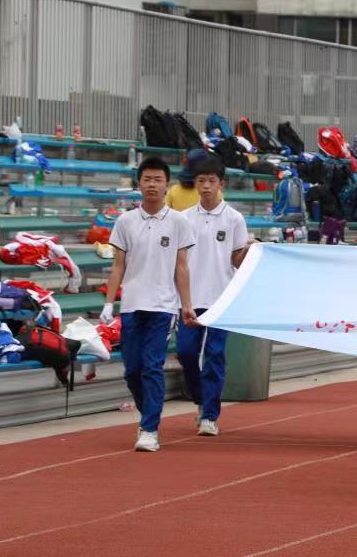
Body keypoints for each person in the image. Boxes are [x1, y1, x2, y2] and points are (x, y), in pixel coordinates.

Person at [103, 157, 198, 452]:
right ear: (139, 184)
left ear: (167, 184)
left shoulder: (179, 222)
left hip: (163, 305)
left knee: (152, 366)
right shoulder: (125, 221)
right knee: (132, 370)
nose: (152, 185)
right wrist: (109, 303)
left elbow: (181, 266)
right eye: (147, 179)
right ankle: (149, 414)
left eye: (158, 179)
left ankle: (149, 429)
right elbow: (118, 265)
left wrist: (187, 304)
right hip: (132, 303)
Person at [175, 155, 250, 437]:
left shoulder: (234, 219)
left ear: (221, 184)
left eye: (211, 181)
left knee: (215, 355)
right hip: (190, 298)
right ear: (194, 184)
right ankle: (199, 398)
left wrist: (252, 251)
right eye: (201, 181)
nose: (206, 186)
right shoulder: (183, 219)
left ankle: (210, 415)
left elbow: (237, 259)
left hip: (221, 298)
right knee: (186, 352)